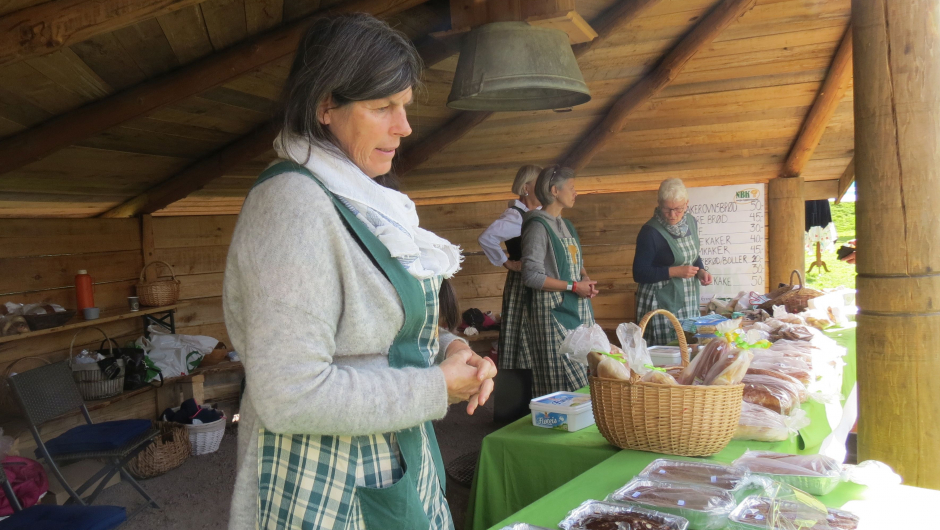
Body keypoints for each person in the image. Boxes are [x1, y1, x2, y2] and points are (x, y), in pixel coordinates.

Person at [222, 14, 496, 530]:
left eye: (405, 106)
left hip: (393, 460)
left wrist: (450, 348)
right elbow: (290, 395)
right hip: (327, 487)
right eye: (382, 107)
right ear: (325, 105)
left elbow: (375, 332)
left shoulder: (363, 200)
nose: (404, 126)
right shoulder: (293, 206)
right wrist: (435, 388)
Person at [521, 165, 598, 396]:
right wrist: (574, 286)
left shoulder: (566, 225)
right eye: (571, 187)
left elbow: (576, 261)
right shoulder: (537, 226)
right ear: (554, 191)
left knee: (584, 372)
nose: (576, 192)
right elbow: (531, 276)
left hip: (576, 308)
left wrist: (585, 278)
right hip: (552, 312)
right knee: (559, 378)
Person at [633, 178, 712, 346]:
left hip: (688, 298)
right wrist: (675, 271)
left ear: (686, 204)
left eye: (678, 209)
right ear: (659, 204)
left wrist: (701, 270)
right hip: (661, 301)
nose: (672, 215)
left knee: (688, 344)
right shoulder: (650, 232)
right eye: (667, 209)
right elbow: (639, 273)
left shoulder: (691, 222)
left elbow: (692, 255)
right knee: (667, 349)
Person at [477, 165, 541, 373]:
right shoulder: (516, 216)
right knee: (521, 332)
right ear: (526, 188)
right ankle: (519, 381)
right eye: (539, 183)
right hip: (522, 283)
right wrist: (508, 262)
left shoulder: (538, 214)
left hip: (537, 281)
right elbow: (487, 238)